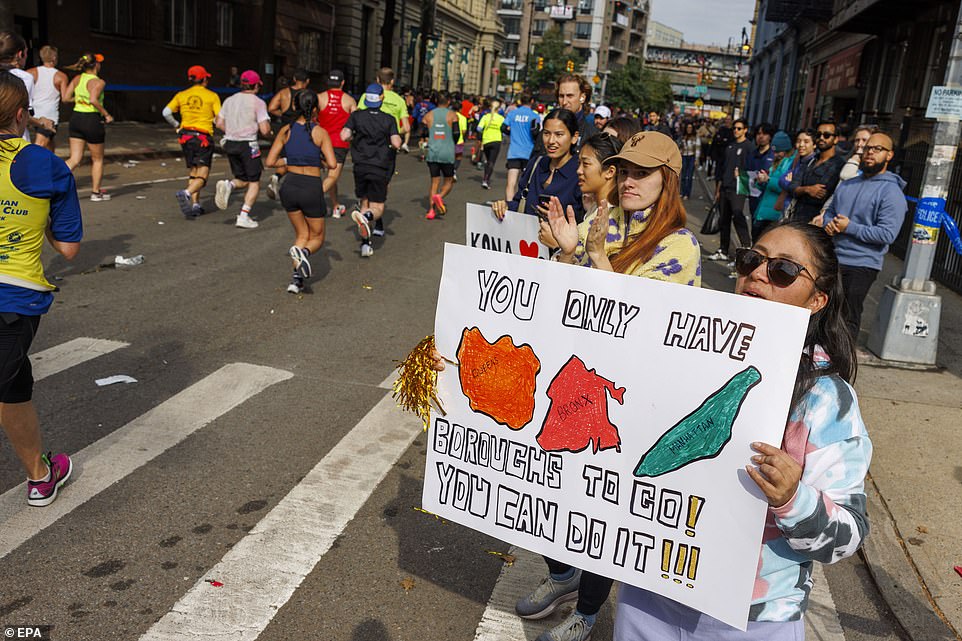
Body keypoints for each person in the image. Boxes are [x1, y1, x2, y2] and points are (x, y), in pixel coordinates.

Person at [615, 220, 871, 641]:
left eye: (783, 271)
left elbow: (846, 536)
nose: (757, 273)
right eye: (751, 259)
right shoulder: (687, 352)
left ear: (816, 299)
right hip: (650, 596)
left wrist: (793, 497)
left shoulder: (825, 398)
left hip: (752, 619)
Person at [0, 72, 83, 507]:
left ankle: (40, 475)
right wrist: (41, 216)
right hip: (13, 297)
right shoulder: (45, 164)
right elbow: (69, 248)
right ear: (20, 116)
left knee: (13, 384)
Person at [823, 132, 907, 340]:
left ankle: (841, 365)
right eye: (867, 148)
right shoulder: (848, 184)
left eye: (878, 149)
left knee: (846, 318)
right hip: (832, 258)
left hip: (861, 264)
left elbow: (887, 233)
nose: (870, 152)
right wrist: (829, 225)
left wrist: (849, 227)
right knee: (823, 312)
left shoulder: (891, 192)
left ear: (889, 156)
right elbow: (830, 212)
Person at [265, 90, 337, 293]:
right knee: (317, 237)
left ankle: (296, 280)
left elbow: (270, 162)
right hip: (310, 187)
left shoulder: (286, 130)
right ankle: (304, 253)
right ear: (316, 109)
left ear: (295, 106)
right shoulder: (319, 132)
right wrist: (318, 159)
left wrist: (290, 160)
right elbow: (332, 164)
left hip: (290, 185)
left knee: (301, 233)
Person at [490, 108, 584, 225]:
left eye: (559, 134)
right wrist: (505, 206)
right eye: (546, 133)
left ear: (574, 137)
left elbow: (583, 222)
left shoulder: (581, 174)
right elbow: (520, 203)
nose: (551, 141)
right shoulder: (536, 164)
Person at [342, 83, 402, 258]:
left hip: (360, 164)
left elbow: (344, 135)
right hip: (380, 165)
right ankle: (368, 217)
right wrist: (391, 142)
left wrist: (355, 136)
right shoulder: (388, 119)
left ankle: (365, 245)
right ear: (381, 98)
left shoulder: (356, 116)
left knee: (364, 200)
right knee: (377, 207)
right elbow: (397, 143)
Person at [214, 69, 271, 229]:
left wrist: (232, 131)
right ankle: (244, 216)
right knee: (254, 181)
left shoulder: (229, 101)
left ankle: (229, 185)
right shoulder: (258, 102)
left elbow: (218, 123)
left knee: (243, 179)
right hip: (248, 144)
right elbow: (265, 129)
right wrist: (271, 134)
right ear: (256, 86)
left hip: (230, 142)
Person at [164, 65, 221, 219]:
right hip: (202, 137)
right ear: (203, 79)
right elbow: (218, 118)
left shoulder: (181, 95)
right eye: (206, 77)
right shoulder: (212, 96)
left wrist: (177, 126)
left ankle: (196, 205)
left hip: (186, 136)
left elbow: (166, 112)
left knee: (194, 171)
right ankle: (186, 193)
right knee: (203, 172)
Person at [63, 52, 113, 202]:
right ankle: (96, 193)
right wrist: (107, 115)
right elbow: (93, 100)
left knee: (75, 158)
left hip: (76, 118)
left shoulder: (77, 78)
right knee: (97, 159)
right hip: (91, 120)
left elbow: (65, 98)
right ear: (96, 65)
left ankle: (51, 180)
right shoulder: (99, 82)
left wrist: (78, 99)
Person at [707, 118, 753, 267]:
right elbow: (722, 168)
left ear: (745, 130)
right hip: (725, 186)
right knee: (724, 220)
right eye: (734, 128)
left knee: (738, 216)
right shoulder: (730, 145)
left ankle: (746, 249)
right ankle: (723, 250)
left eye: (739, 128)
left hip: (738, 188)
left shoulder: (748, 147)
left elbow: (751, 169)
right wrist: (718, 189)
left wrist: (742, 177)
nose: (736, 131)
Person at [0, 32, 56, 143]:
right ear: (20, 54)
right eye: (26, 53)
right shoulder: (23, 77)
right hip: (13, 142)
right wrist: (42, 122)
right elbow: (20, 114)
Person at [789, 119, 846, 224]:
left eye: (827, 135)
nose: (821, 138)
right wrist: (807, 189)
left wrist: (800, 189)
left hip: (817, 222)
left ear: (836, 139)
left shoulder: (840, 165)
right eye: (818, 134)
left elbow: (823, 193)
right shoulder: (810, 160)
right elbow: (792, 187)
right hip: (796, 218)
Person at [317, 69, 356, 219]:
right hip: (339, 143)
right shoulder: (349, 100)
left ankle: (335, 206)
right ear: (343, 83)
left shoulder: (320, 98)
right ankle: (314, 198)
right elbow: (356, 121)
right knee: (332, 176)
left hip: (320, 141)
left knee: (328, 176)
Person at [266, 69, 311, 200]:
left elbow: (271, 108)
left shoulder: (283, 93)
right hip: (301, 129)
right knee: (300, 160)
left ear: (295, 79)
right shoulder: (307, 94)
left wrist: (283, 114)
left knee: (287, 157)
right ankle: (297, 189)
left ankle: (277, 177)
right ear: (307, 81)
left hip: (285, 129)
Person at [421, 92, 460, 220]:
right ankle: (440, 196)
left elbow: (424, 132)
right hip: (447, 152)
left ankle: (431, 210)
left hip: (433, 152)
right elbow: (456, 134)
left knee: (434, 182)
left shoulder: (428, 115)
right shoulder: (452, 115)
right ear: (448, 101)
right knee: (449, 180)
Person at [751, 130, 794, 240]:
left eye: (778, 152)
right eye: (774, 151)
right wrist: (760, 181)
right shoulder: (775, 162)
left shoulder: (790, 163)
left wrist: (768, 179)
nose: (775, 154)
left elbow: (785, 186)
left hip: (774, 213)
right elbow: (766, 186)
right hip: (763, 210)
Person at [27, 45, 68, 151]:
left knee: (49, 144)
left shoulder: (30, 72)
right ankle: (28, 166)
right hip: (50, 115)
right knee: (40, 145)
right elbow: (65, 98)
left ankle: (51, 165)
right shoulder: (61, 76)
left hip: (34, 113)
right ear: (54, 58)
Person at [502, 94, 539, 201]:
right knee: (526, 184)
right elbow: (536, 132)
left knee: (511, 183)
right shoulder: (534, 116)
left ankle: (509, 207)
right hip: (529, 153)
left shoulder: (513, 113)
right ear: (532, 101)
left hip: (514, 151)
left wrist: (512, 133)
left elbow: (503, 128)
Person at [555, 74, 596, 147]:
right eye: (561, 96)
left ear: (582, 97)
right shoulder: (550, 129)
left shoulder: (592, 135)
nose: (564, 102)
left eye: (570, 96)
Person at [745, 122, 775, 219]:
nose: (761, 136)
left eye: (764, 134)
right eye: (758, 134)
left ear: (770, 136)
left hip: (766, 197)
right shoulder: (752, 154)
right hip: (753, 195)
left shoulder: (773, 155)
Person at [477, 99, 504, 190]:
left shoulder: (486, 117)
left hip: (486, 141)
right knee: (491, 162)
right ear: (499, 108)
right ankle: (486, 180)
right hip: (496, 141)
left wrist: (485, 131)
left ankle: (486, 173)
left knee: (488, 160)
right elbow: (504, 131)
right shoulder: (501, 118)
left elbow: (479, 128)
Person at [678, 122, 699, 200]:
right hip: (684, 156)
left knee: (689, 176)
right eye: (688, 127)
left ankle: (687, 193)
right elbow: (680, 146)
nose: (689, 129)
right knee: (683, 176)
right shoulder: (683, 136)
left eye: (690, 128)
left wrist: (696, 159)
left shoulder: (696, 137)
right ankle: (682, 192)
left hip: (691, 157)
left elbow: (698, 149)